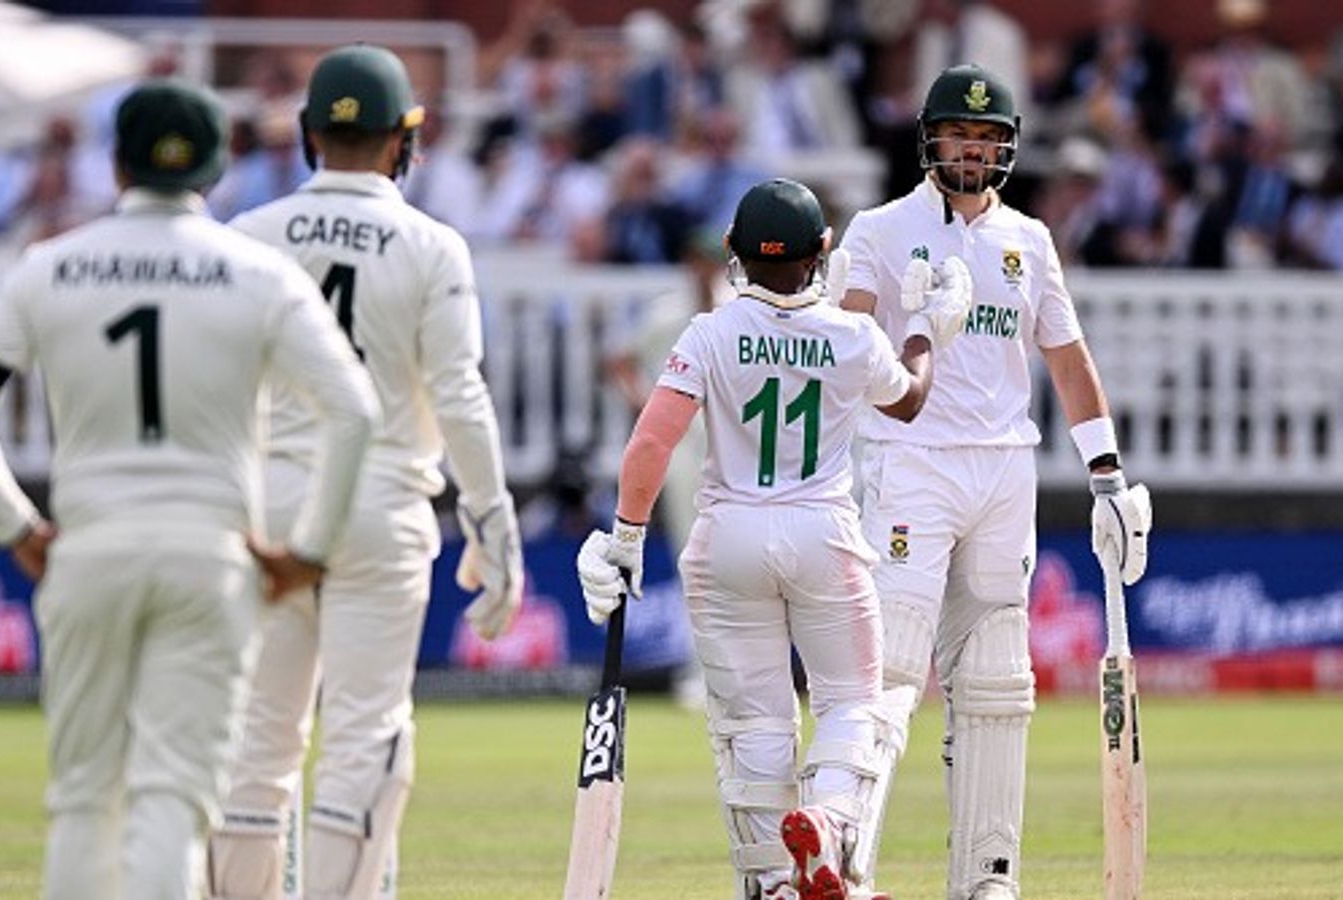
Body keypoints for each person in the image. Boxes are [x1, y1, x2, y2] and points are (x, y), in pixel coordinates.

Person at [0, 79, 379, 900]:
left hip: (90, 547)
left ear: (118, 164)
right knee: (173, 794)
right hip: (210, 556)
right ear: (215, 167)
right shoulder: (258, 273)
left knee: (83, 795)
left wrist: (16, 528)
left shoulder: (51, 266)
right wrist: (308, 552)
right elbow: (353, 410)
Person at [577, 177, 970, 900]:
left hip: (727, 536)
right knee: (850, 703)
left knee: (753, 724)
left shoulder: (709, 331)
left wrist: (625, 539)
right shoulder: (852, 334)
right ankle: (828, 821)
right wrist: (925, 330)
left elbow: (652, 442)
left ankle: (773, 883)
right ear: (823, 250)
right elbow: (910, 401)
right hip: (823, 534)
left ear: (733, 250)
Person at [205, 45, 523, 900]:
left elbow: (216, 389)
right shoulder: (432, 245)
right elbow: (458, 393)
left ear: (310, 134)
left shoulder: (248, 235)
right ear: (402, 140)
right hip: (380, 505)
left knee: (258, 742)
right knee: (366, 735)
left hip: (272, 502)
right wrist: (492, 519)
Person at [837, 64, 1152, 899]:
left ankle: (986, 876)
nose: (972, 151)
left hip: (1005, 470)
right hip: (910, 462)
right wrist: (899, 326)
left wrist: (1108, 474)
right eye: (958, 135)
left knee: (998, 683)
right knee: (892, 665)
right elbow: (838, 346)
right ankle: (842, 854)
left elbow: (1067, 358)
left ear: (1006, 148)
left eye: (986, 138)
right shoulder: (880, 230)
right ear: (930, 142)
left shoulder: (1030, 240)